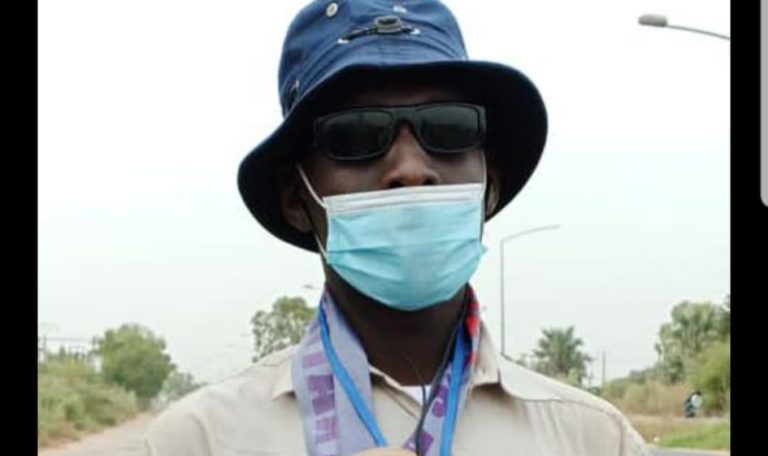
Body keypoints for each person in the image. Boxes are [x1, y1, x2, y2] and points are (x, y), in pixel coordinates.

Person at [144, 1, 650, 454]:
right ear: (297, 198)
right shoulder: (198, 440)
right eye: (355, 134)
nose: (409, 167)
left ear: (489, 187)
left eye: (449, 128)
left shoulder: (593, 438)